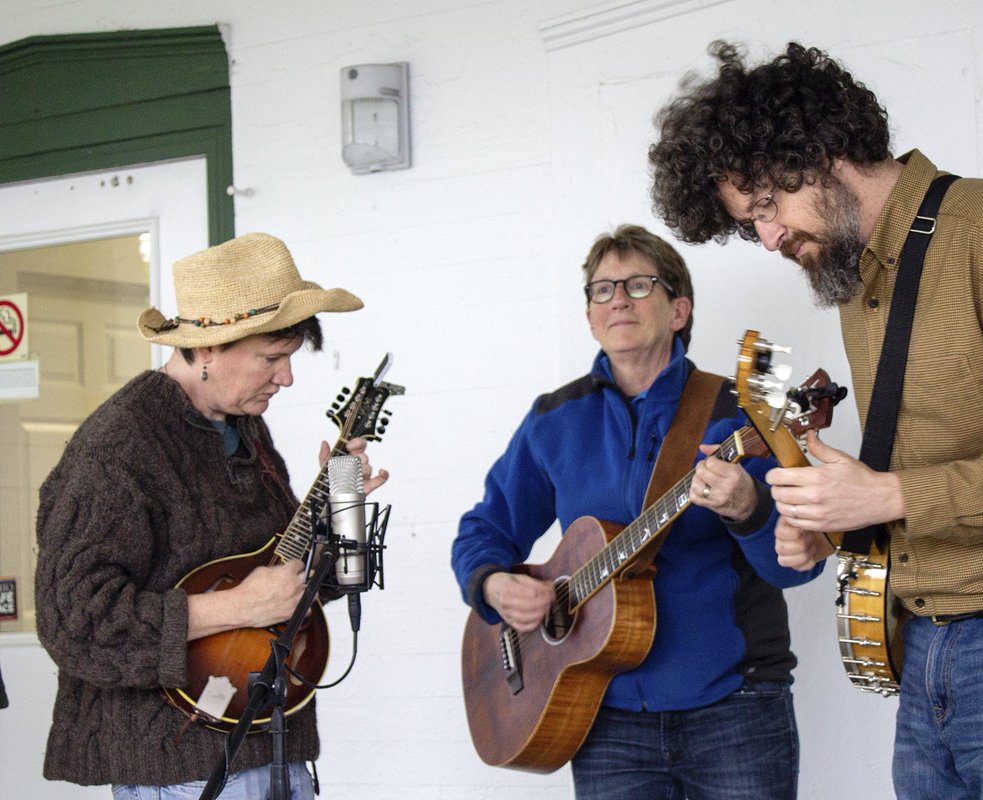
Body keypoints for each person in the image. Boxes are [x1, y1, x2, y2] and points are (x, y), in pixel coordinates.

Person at [648, 41, 983, 800]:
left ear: (821, 152)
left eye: (766, 207)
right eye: (748, 223)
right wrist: (834, 523)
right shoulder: (861, 277)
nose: (766, 238)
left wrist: (887, 497)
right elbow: (923, 470)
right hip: (931, 639)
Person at [452, 224, 830, 799]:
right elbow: (485, 529)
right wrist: (494, 584)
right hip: (602, 713)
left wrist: (748, 508)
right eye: (601, 290)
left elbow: (796, 567)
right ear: (589, 317)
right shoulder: (553, 419)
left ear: (679, 310)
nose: (618, 300)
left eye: (637, 284)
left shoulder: (745, 409)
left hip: (735, 707)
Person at [35, 232, 388, 799]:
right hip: (181, 768)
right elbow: (75, 622)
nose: (287, 378)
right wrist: (237, 605)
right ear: (205, 350)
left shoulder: (244, 430)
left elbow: (281, 583)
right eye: (271, 359)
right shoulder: (119, 447)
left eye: (290, 358)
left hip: (272, 745)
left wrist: (337, 513)